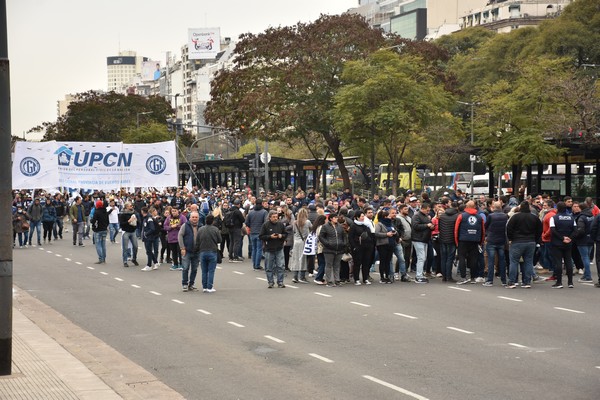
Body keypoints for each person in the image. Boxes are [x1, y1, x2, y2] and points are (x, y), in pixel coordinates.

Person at [506, 201, 542, 289]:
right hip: (531, 241)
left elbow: (509, 229)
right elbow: (540, 230)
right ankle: (527, 282)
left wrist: (511, 239)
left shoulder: (515, 217)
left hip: (517, 241)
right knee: (528, 262)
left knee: (514, 262)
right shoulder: (534, 218)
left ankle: (512, 281)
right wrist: (536, 239)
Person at [454, 200, 485, 285]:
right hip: (475, 240)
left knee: (462, 258)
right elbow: (483, 230)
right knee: (474, 259)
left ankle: (463, 277)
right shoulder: (479, 217)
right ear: (474, 207)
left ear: (466, 207)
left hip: (463, 240)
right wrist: (481, 241)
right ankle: (473, 277)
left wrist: (457, 241)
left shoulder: (461, 216)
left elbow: (456, 229)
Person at [549, 201, 576, 289]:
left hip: (557, 243)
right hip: (568, 243)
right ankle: (570, 282)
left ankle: (559, 282)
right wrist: (569, 238)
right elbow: (575, 230)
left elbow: (553, 230)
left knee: (558, 262)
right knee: (568, 261)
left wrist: (562, 238)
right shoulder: (571, 218)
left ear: (557, 209)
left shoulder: (554, 218)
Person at [260, 210, 288, 288]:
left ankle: (280, 282)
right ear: (270, 217)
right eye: (274, 217)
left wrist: (281, 236)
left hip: (279, 248)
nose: (276, 218)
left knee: (280, 266)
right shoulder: (265, 225)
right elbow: (261, 236)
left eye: (277, 217)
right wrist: (270, 237)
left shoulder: (281, 225)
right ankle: (270, 282)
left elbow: (286, 234)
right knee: (269, 267)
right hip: (269, 249)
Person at [318, 212, 347, 287]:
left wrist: (343, 243)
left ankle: (337, 280)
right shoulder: (325, 226)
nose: (337, 218)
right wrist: (327, 243)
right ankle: (329, 281)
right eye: (335, 217)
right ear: (331, 218)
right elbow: (321, 237)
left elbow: (344, 236)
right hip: (328, 250)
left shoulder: (340, 227)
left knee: (337, 265)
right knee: (329, 265)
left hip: (339, 249)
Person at [483, 201, 508, 286]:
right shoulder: (505, 216)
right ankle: (504, 280)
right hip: (501, 240)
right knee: (502, 260)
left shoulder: (490, 216)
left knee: (491, 260)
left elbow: (485, 226)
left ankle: (490, 280)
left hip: (491, 239)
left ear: (493, 207)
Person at [195, 214, 222, 292]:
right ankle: (210, 287)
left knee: (204, 270)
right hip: (212, 251)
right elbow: (220, 240)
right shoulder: (215, 229)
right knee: (211, 270)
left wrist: (196, 250)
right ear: (213, 221)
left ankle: (204, 287)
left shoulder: (200, 229)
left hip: (202, 251)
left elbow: (197, 241)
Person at [349, 210, 374, 285]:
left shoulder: (366, 225)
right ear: (357, 217)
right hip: (358, 247)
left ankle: (365, 278)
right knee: (357, 263)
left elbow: (371, 235)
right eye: (362, 216)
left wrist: (371, 244)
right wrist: (354, 246)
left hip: (367, 247)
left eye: (363, 216)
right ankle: (356, 279)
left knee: (366, 263)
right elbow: (350, 237)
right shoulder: (353, 226)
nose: (363, 218)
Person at [411, 202, 434, 283]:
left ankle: (420, 274)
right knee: (421, 257)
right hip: (418, 239)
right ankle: (418, 276)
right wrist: (427, 225)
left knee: (423, 258)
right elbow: (415, 226)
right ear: (423, 209)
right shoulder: (416, 216)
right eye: (427, 210)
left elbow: (427, 225)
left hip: (424, 239)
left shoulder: (425, 216)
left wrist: (431, 226)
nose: (428, 212)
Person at [179, 211, 201, 291]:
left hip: (197, 251)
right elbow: (180, 236)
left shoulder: (201, 226)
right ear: (190, 218)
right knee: (185, 268)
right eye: (193, 217)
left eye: (196, 217)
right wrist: (182, 248)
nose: (194, 219)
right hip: (187, 251)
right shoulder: (185, 225)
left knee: (194, 269)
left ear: (198, 218)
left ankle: (191, 284)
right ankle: (184, 284)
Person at [374, 209, 398, 283]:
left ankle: (387, 276)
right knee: (383, 261)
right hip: (382, 245)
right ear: (385, 216)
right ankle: (382, 277)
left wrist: (395, 233)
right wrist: (386, 234)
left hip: (390, 244)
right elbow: (376, 233)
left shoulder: (390, 224)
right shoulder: (379, 224)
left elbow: (394, 230)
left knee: (388, 261)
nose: (390, 217)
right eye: (388, 216)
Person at [573, 202, 594, 283]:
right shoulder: (591, 216)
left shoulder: (581, 217)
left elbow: (580, 230)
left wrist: (576, 236)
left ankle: (588, 276)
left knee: (584, 258)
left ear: (580, 208)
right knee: (587, 257)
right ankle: (586, 274)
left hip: (582, 240)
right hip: (590, 239)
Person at [438, 202, 459, 282]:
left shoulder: (442, 216)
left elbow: (439, 228)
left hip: (443, 239)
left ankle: (444, 276)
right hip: (452, 239)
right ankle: (449, 276)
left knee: (443, 258)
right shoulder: (456, 216)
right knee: (450, 258)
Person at [245, 198, 268, 270]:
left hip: (252, 232)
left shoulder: (251, 212)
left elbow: (246, 222)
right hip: (260, 232)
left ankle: (254, 264)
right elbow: (265, 223)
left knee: (254, 248)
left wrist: (251, 226)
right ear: (261, 204)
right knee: (259, 249)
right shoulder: (264, 212)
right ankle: (257, 264)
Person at [291, 208, 312, 283]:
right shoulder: (308, 222)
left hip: (296, 242)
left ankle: (295, 276)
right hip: (303, 242)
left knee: (296, 259)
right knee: (303, 259)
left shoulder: (295, 222)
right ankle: (302, 277)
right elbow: (311, 229)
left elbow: (294, 231)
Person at [118, 202, 139, 267]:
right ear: (126, 207)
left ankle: (134, 258)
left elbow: (138, 222)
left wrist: (137, 221)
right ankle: (125, 261)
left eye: (132, 205)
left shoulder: (134, 213)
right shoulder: (122, 214)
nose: (132, 207)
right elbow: (121, 224)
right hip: (126, 231)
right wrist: (128, 221)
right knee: (125, 247)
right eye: (130, 206)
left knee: (135, 246)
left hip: (133, 231)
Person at [140, 207, 160, 271]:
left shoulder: (149, 218)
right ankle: (155, 262)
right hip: (148, 237)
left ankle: (149, 265)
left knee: (149, 251)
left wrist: (146, 234)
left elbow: (152, 228)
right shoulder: (147, 218)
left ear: (142, 211)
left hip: (149, 237)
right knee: (149, 251)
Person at [90, 200, 109, 264]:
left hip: (98, 230)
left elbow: (93, 221)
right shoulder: (105, 212)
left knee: (98, 244)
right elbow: (108, 221)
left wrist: (91, 221)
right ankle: (104, 258)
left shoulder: (96, 212)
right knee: (103, 244)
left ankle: (100, 258)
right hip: (104, 229)